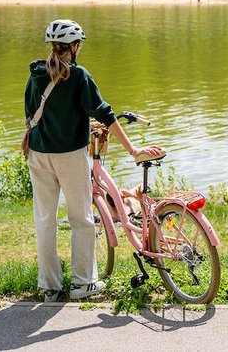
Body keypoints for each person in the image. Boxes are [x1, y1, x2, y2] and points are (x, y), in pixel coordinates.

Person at [24, 19, 162, 303]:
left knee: (45, 220)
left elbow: (31, 113)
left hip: (38, 154)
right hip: (70, 157)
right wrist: (133, 150)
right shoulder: (78, 75)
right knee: (82, 219)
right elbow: (105, 113)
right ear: (74, 46)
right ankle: (82, 283)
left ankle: (50, 287)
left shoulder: (36, 74)